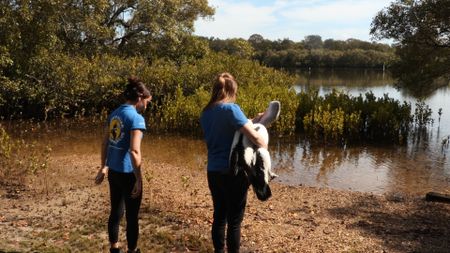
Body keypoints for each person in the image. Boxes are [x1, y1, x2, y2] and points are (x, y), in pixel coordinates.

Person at [200, 72, 267, 253]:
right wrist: (264, 149)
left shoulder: (206, 113)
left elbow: (233, 126)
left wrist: (254, 119)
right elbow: (253, 137)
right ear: (231, 91)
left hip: (213, 171)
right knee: (235, 222)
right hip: (234, 173)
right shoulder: (231, 109)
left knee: (219, 216)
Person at [94, 76, 152, 253]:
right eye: (147, 102)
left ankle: (114, 248)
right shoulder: (136, 118)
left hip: (114, 172)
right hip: (128, 173)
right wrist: (139, 179)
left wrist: (103, 166)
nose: (147, 106)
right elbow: (134, 152)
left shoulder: (114, 113)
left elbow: (105, 143)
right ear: (140, 98)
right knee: (132, 217)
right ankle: (132, 250)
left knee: (116, 212)